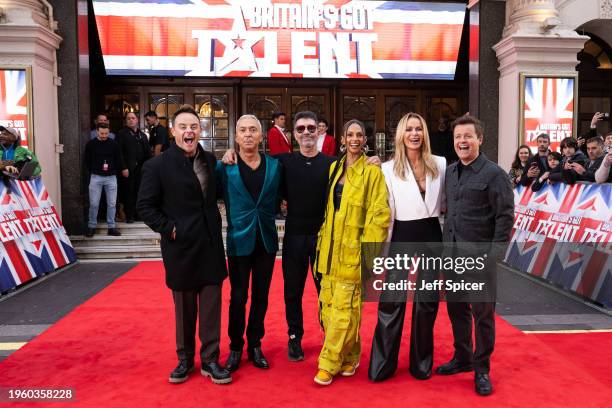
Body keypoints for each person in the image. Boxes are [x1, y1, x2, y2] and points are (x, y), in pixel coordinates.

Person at [221, 111, 382, 362]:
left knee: (325, 292)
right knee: (292, 292)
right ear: (293, 134)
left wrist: (373, 160)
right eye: (300, 129)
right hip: (294, 237)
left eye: (311, 128)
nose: (306, 133)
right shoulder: (282, 162)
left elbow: (356, 169)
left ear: (319, 131)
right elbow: (251, 161)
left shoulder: (333, 163)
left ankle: (331, 338)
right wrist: (230, 152)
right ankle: (294, 337)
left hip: (324, 238)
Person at [136, 106, 231, 385]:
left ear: (200, 131)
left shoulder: (210, 160)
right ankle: (185, 359)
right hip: (180, 248)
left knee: (212, 307)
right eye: (183, 127)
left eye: (194, 127)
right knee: (185, 308)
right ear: (174, 131)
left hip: (211, 245)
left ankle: (211, 360)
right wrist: (170, 229)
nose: (189, 131)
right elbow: (145, 206)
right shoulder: (157, 165)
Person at [437, 115, 514, 396]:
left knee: (482, 316)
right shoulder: (452, 172)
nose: (462, 141)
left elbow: (505, 217)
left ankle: (482, 369)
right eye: (458, 137)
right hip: (452, 255)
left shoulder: (495, 174)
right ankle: (463, 358)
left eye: (468, 136)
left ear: (480, 139)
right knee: (457, 310)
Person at [369, 113, 446, 382]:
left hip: (432, 235)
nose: (414, 134)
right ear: (401, 135)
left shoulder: (441, 163)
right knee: (392, 301)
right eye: (409, 129)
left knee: (427, 303)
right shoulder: (387, 168)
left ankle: (421, 362)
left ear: (425, 133)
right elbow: (386, 211)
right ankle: (383, 364)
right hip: (402, 233)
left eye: (419, 129)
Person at [314, 119, 390, 386]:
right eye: (350, 134)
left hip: (354, 252)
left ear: (365, 139)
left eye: (359, 135)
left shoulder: (372, 172)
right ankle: (350, 356)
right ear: (343, 139)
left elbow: (380, 216)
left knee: (344, 309)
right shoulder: (335, 167)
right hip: (329, 251)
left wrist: (368, 256)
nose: (355, 139)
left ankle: (328, 362)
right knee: (330, 306)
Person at [218, 115, 281, 373]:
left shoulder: (276, 166)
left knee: (261, 297)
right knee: (238, 296)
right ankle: (235, 347)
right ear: (236, 136)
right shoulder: (225, 167)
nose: (247, 134)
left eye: (252, 130)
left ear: (261, 135)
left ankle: (255, 344)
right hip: (238, 240)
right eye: (242, 130)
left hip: (266, 240)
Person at [84, 123, 127, 237]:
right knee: (93, 203)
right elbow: (86, 160)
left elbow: (119, 158)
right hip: (96, 176)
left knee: (112, 204)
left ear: (109, 132)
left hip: (111, 177)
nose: (104, 136)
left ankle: (111, 227)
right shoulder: (91, 144)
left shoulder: (114, 144)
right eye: (102, 133)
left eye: (106, 133)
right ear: (97, 131)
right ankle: (91, 226)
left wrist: (123, 168)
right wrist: (91, 171)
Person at [116, 112, 151, 223]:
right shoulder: (122, 134)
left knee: (139, 192)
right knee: (128, 192)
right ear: (126, 121)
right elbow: (119, 153)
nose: (131, 120)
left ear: (137, 120)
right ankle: (129, 216)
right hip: (127, 170)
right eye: (128, 118)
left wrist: (148, 169)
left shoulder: (142, 135)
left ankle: (138, 215)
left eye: (133, 118)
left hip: (141, 170)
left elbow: (148, 154)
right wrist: (123, 167)